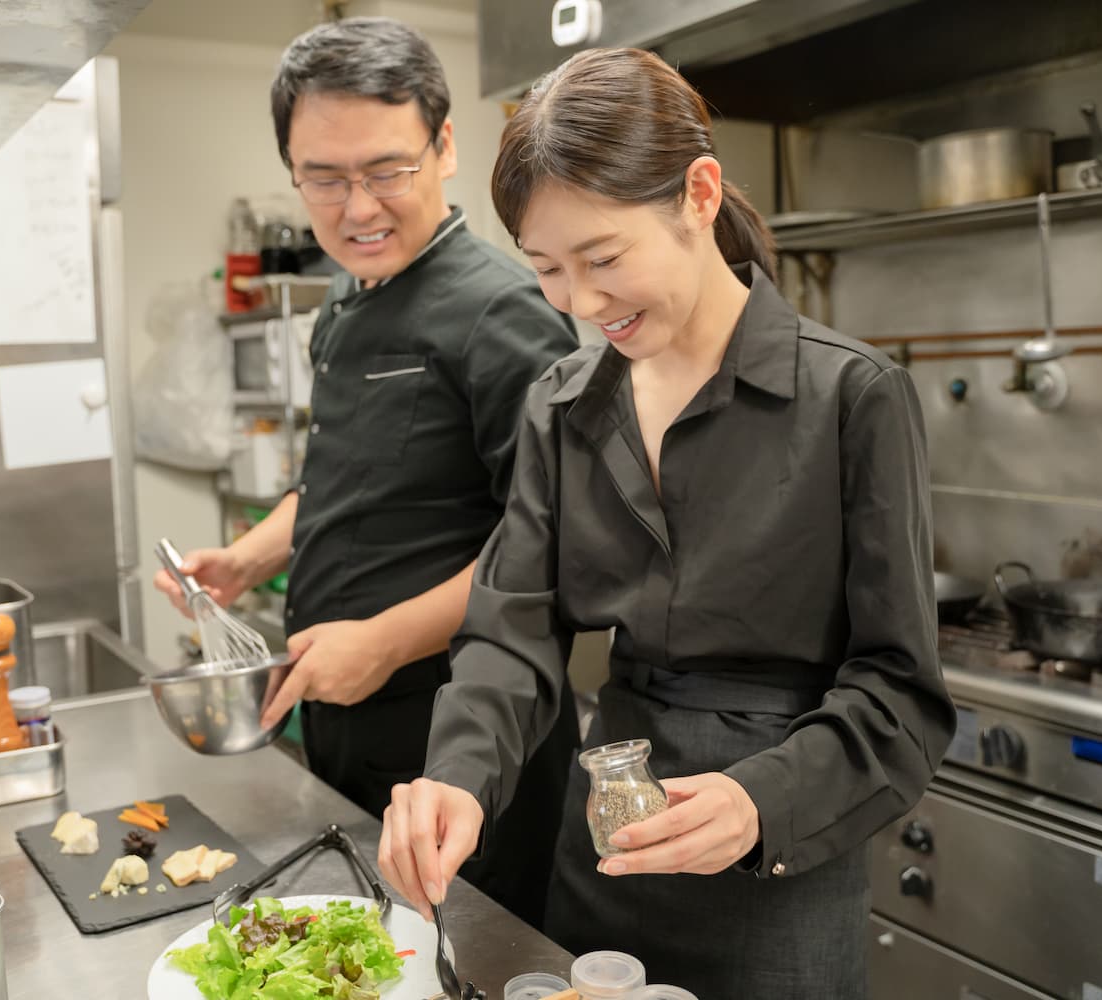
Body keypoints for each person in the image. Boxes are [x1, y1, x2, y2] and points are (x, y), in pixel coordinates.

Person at [377, 47, 956, 997]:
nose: (582, 301)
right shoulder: (562, 405)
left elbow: (903, 692)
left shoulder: (854, 396)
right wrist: (455, 776)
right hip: (604, 846)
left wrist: (758, 797)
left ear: (699, 192)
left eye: (603, 257)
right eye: (548, 270)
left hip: (779, 867)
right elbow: (512, 632)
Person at [154, 17, 580, 930]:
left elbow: (548, 551)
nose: (358, 208)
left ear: (446, 145)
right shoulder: (345, 305)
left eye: (388, 170)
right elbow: (347, 479)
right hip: (345, 723)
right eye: (326, 177)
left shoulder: (506, 313)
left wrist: (382, 640)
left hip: (460, 747)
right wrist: (247, 558)